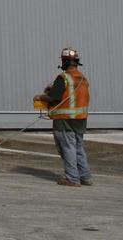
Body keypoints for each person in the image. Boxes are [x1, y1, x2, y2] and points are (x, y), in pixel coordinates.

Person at [35, 47, 92, 187]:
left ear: (64, 61)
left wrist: (41, 96)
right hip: (81, 119)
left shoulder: (63, 77)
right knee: (78, 147)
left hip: (64, 119)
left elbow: (54, 96)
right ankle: (85, 176)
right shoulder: (83, 78)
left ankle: (72, 178)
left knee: (67, 147)